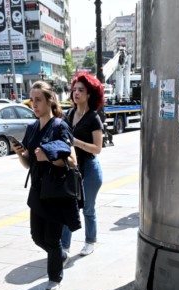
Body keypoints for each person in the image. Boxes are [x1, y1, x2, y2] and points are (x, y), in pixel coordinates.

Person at [10, 80, 80, 290]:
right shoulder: (31, 128)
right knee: (37, 236)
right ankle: (59, 255)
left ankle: (54, 277)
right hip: (38, 190)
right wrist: (20, 153)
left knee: (51, 237)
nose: (34, 104)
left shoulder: (60, 126)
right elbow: (29, 163)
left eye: (38, 100)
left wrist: (49, 158)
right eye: (32, 100)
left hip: (56, 192)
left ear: (50, 101)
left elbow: (72, 162)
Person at [62, 72, 105, 257]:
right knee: (67, 206)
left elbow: (97, 148)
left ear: (89, 94)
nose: (76, 93)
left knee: (88, 207)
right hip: (72, 167)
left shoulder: (93, 117)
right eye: (74, 90)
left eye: (81, 90)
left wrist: (75, 142)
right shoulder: (70, 114)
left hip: (90, 168)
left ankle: (90, 241)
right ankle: (64, 247)